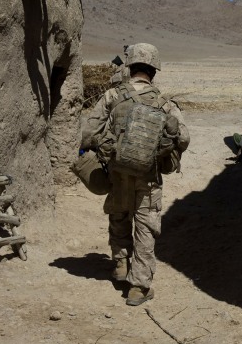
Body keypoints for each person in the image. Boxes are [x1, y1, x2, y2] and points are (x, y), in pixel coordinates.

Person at [81, 43, 190, 306]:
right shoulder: (165, 103)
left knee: (119, 214)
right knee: (145, 227)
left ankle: (120, 264)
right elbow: (184, 139)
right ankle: (138, 287)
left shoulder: (111, 96)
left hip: (117, 170)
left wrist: (108, 148)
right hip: (148, 176)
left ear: (130, 67)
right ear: (154, 70)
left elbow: (88, 133)